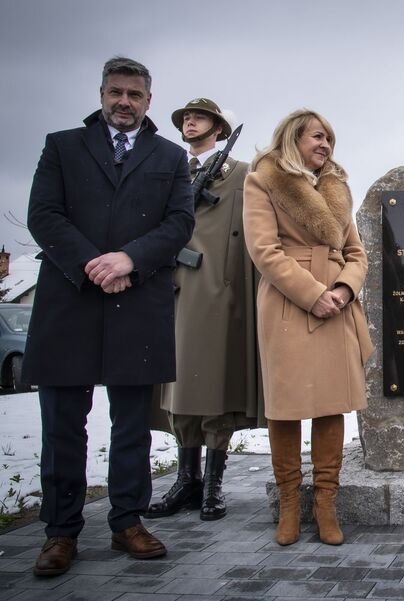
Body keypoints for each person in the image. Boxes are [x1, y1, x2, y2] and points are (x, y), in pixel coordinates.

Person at [23, 57, 194, 576]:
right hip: (69, 300)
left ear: (149, 100)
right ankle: (60, 531)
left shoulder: (169, 156)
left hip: (136, 300)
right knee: (62, 426)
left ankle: (127, 522)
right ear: (101, 94)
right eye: (116, 92)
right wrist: (94, 265)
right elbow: (43, 214)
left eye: (135, 95)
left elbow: (179, 221)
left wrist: (129, 260)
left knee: (131, 426)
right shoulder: (62, 146)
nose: (125, 102)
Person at [243, 109, 373, 546]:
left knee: (330, 403)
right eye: (317, 137)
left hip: (335, 303)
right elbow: (263, 249)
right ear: (292, 138)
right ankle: (289, 506)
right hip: (288, 300)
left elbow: (357, 253)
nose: (325, 145)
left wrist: (342, 289)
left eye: (330, 140)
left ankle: (325, 506)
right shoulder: (263, 180)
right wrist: (311, 293)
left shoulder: (336, 189)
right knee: (286, 405)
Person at [145, 98, 262, 522]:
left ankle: (212, 486)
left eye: (200, 117)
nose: (189, 122)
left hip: (220, 291)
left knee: (215, 386)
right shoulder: (168, 170)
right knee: (178, 387)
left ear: (218, 128)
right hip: (172, 288)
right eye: (184, 118)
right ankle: (187, 480)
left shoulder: (243, 173)